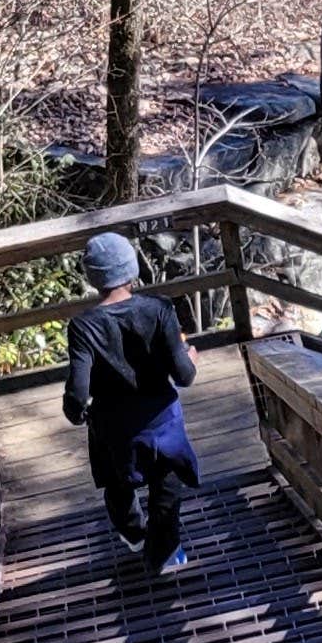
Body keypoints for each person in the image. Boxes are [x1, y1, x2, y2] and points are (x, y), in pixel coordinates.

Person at [60, 231, 198, 575]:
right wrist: (190, 358)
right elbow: (184, 376)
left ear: (92, 277)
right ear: (132, 268)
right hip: (161, 421)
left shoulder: (82, 326)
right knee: (166, 483)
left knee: (117, 483)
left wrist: (75, 412)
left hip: (113, 427)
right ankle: (164, 553)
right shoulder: (160, 309)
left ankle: (135, 534)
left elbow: (78, 391)